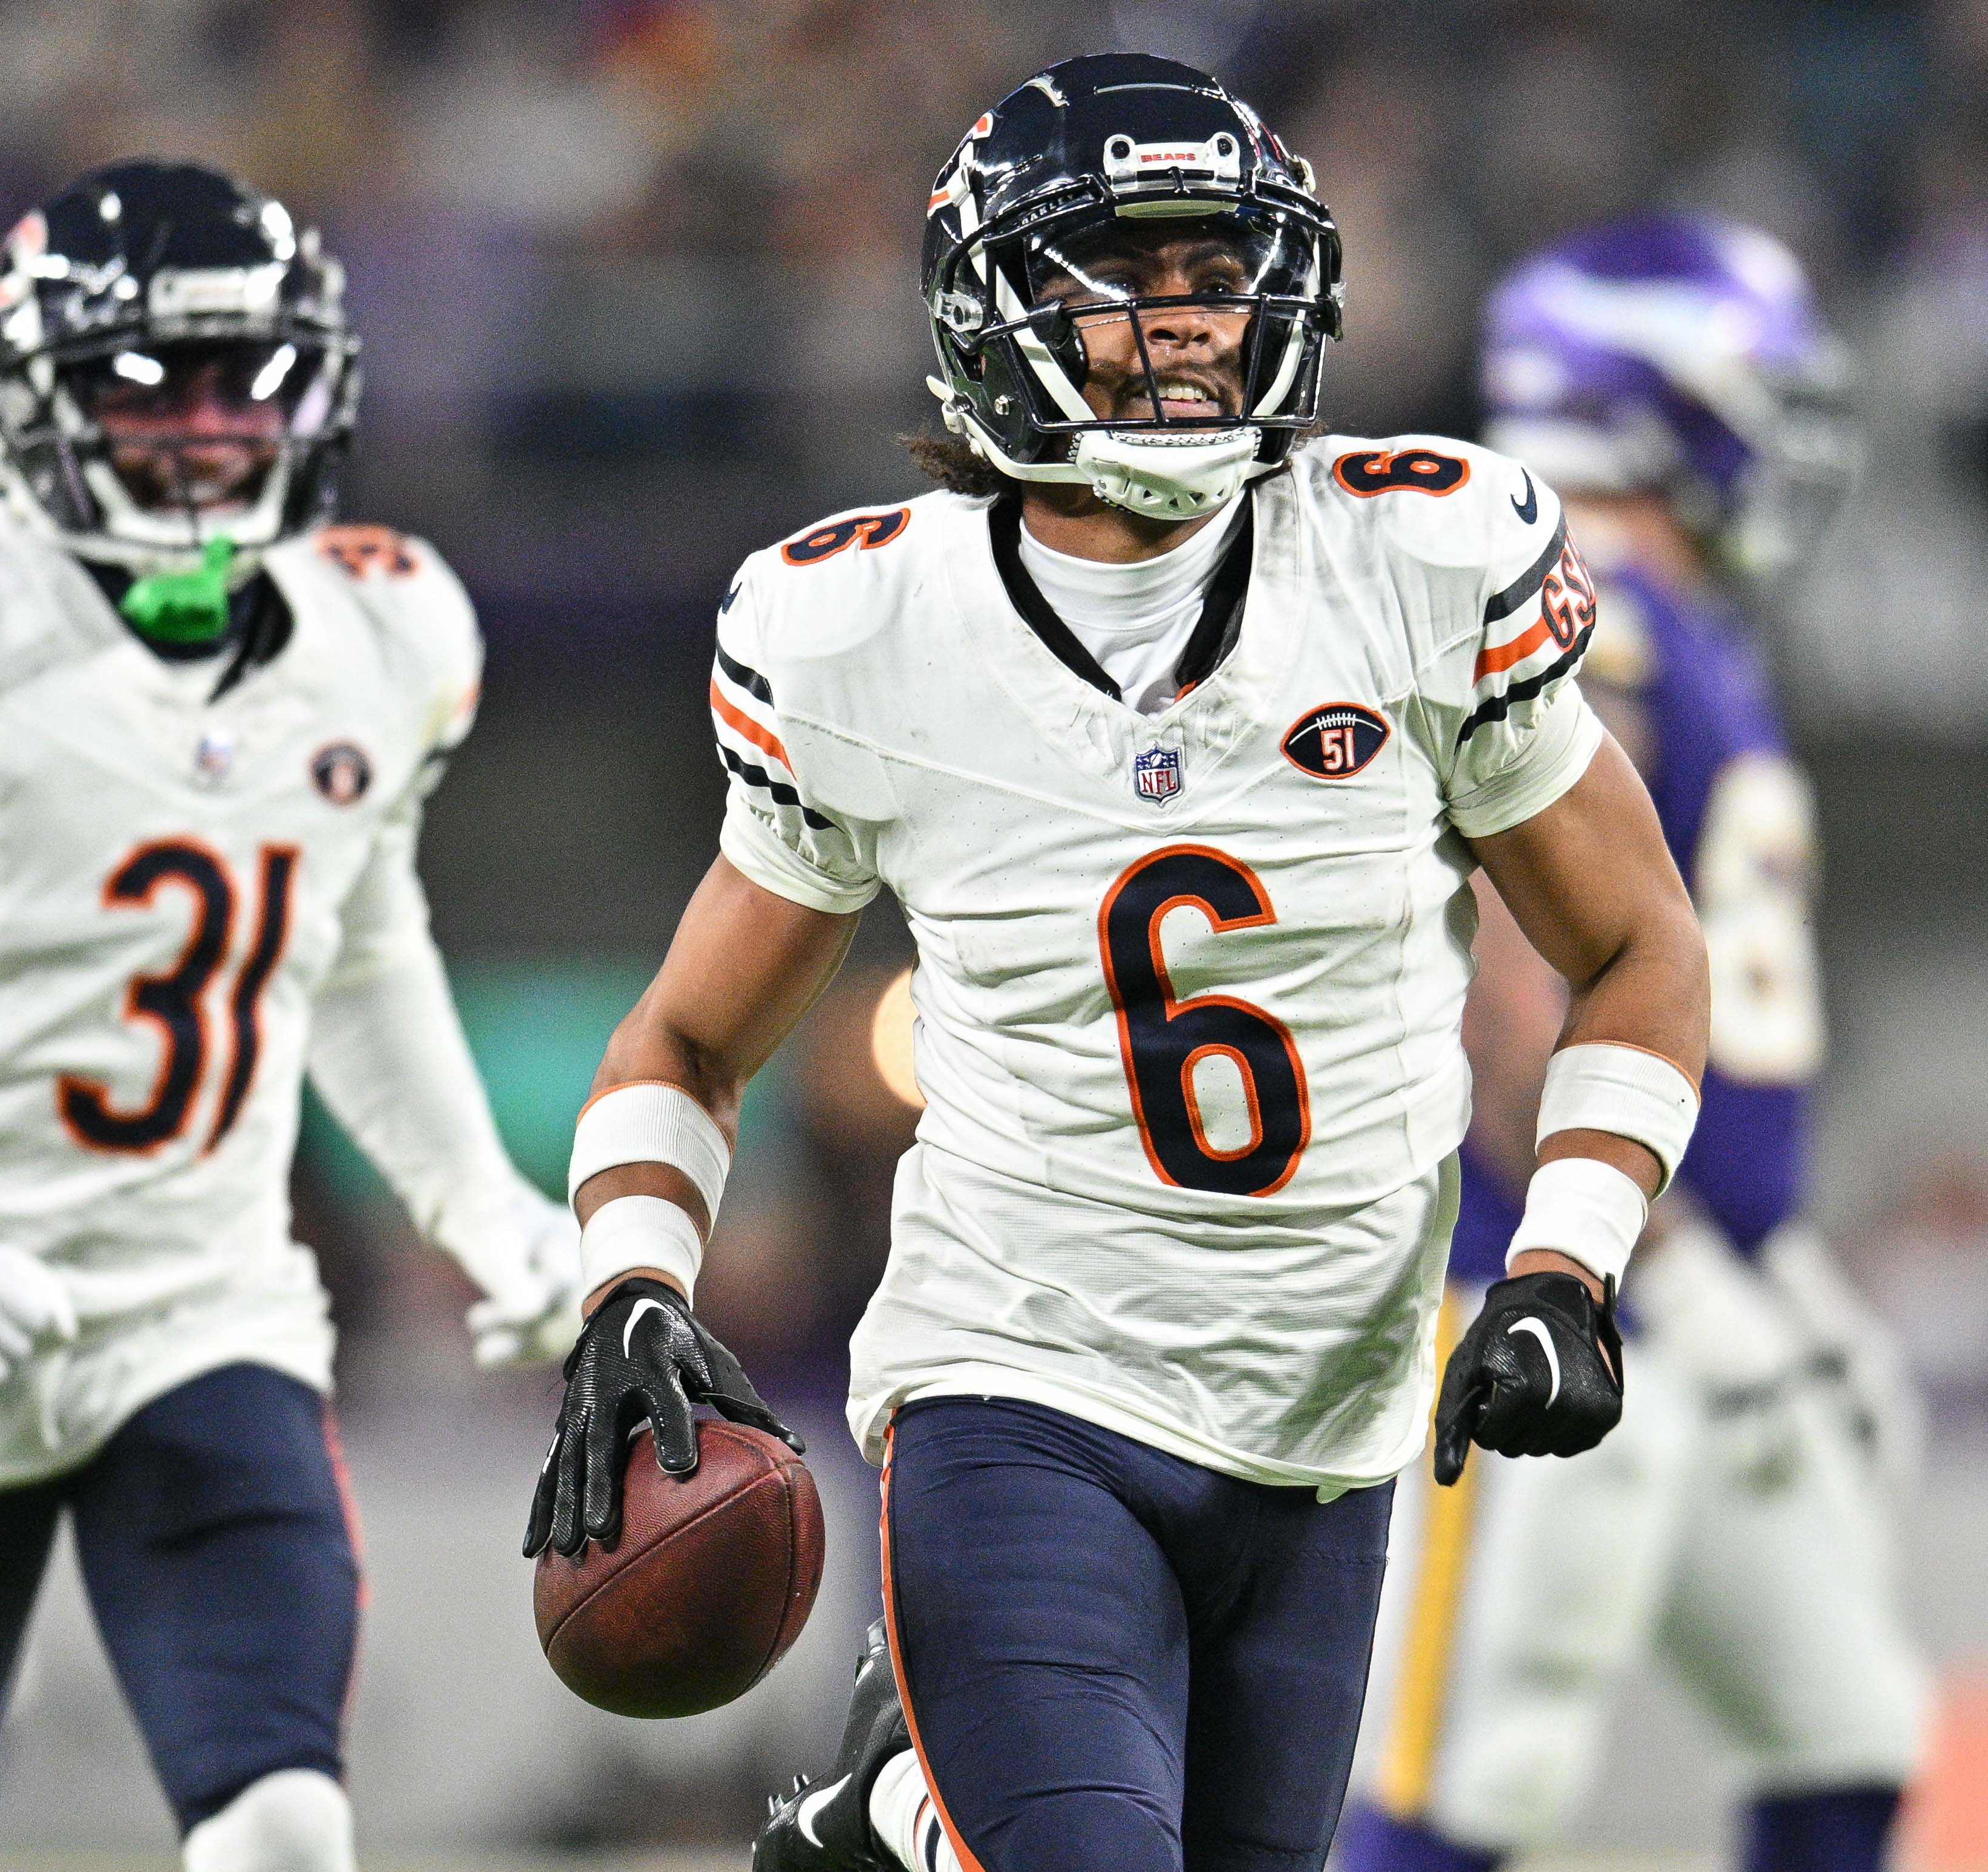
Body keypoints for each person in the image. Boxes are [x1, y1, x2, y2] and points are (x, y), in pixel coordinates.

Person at [515, 53, 1710, 1872]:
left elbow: (1638, 944)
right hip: (1023, 1392)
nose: (1188, 324)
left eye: (1215, 274)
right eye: (1125, 277)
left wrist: (1569, 1259)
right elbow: (684, 1040)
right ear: (991, 314)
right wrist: (629, 1288)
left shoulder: (1414, 561)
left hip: (1327, 1425)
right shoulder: (864, 629)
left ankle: (896, 1825)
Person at [0, 161, 582, 1872]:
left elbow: (356, 943)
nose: (208, 431)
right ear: (40, 400)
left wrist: (475, 1201)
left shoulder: (380, 624)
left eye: (245, 383)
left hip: (195, 1316)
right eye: (151, 386)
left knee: (281, 1825)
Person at [1338, 216, 1932, 1872]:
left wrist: (1769, 1268)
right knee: (1472, 1776)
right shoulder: (1576, 611)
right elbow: (1507, 993)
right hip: (1535, 1288)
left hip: (1688, 1297)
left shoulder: (1662, 613)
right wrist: (1653, 1268)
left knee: (1847, 1733)